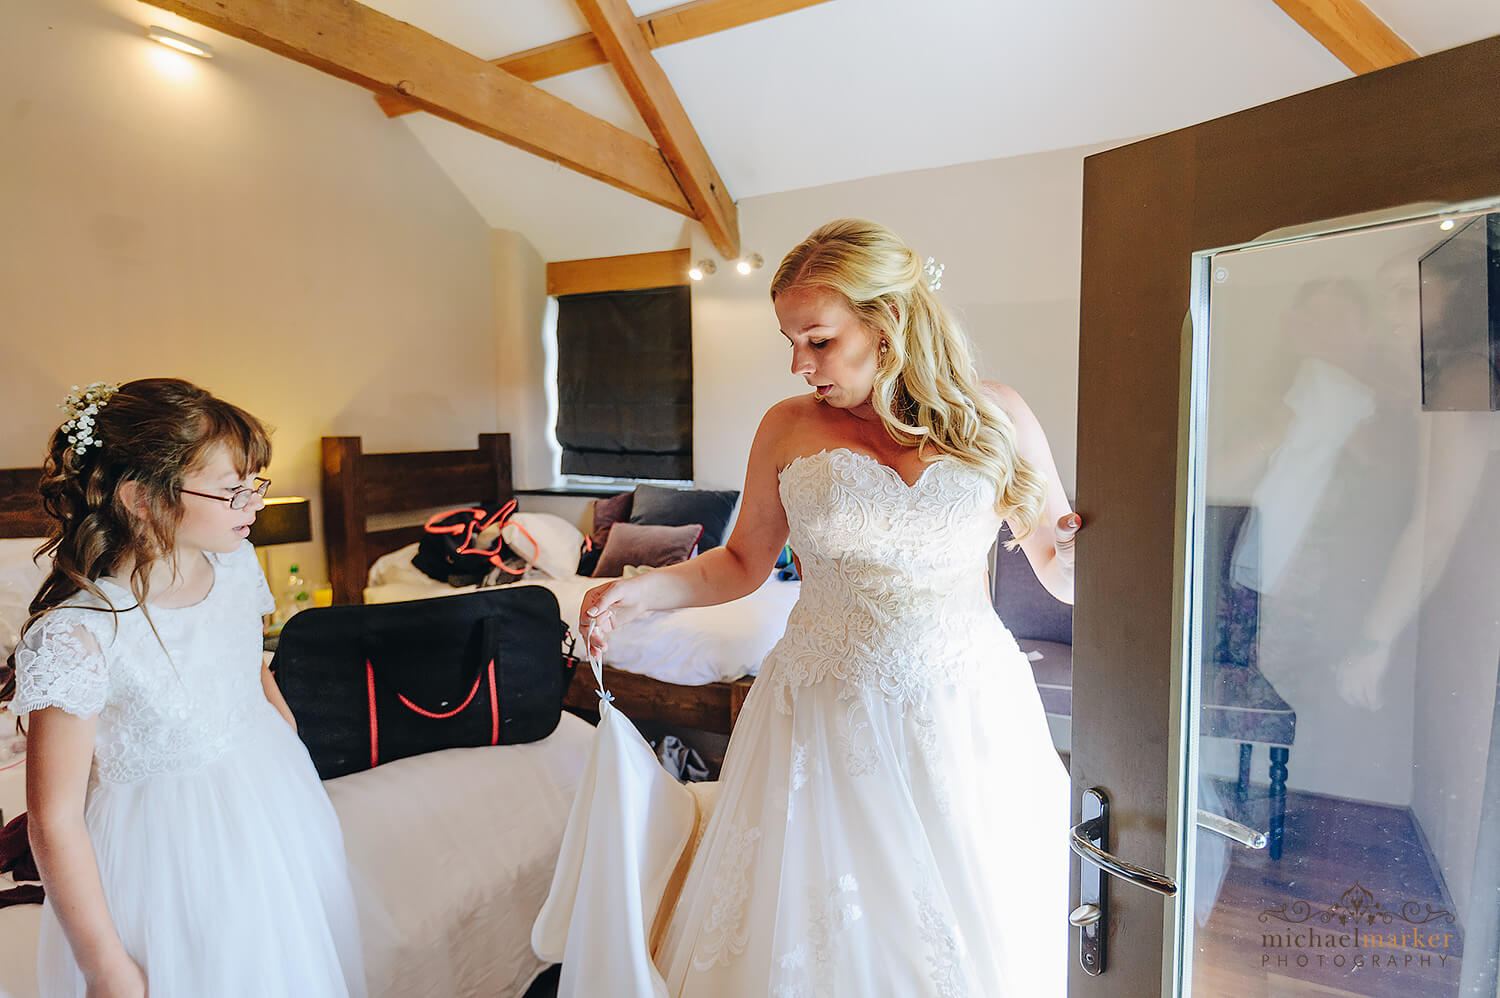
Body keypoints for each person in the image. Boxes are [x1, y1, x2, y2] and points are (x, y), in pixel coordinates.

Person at [560, 220, 1078, 995]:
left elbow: (1059, 568)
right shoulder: (787, 427)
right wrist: (639, 590)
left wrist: (1108, 553)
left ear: (888, 322)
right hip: (822, 710)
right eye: (790, 341)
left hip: (964, 706)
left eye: (818, 340)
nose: (800, 364)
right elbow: (739, 564)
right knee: (820, 922)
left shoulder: (996, 417)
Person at [3, 379, 365, 998]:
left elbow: (253, 667)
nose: (253, 502)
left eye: (256, 483)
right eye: (232, 490)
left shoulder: (236, 565)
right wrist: (103, 966)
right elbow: (52, 819)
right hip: (167, 847)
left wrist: (288, 744)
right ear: (143, 498)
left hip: (272, 800)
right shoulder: (81, 634)